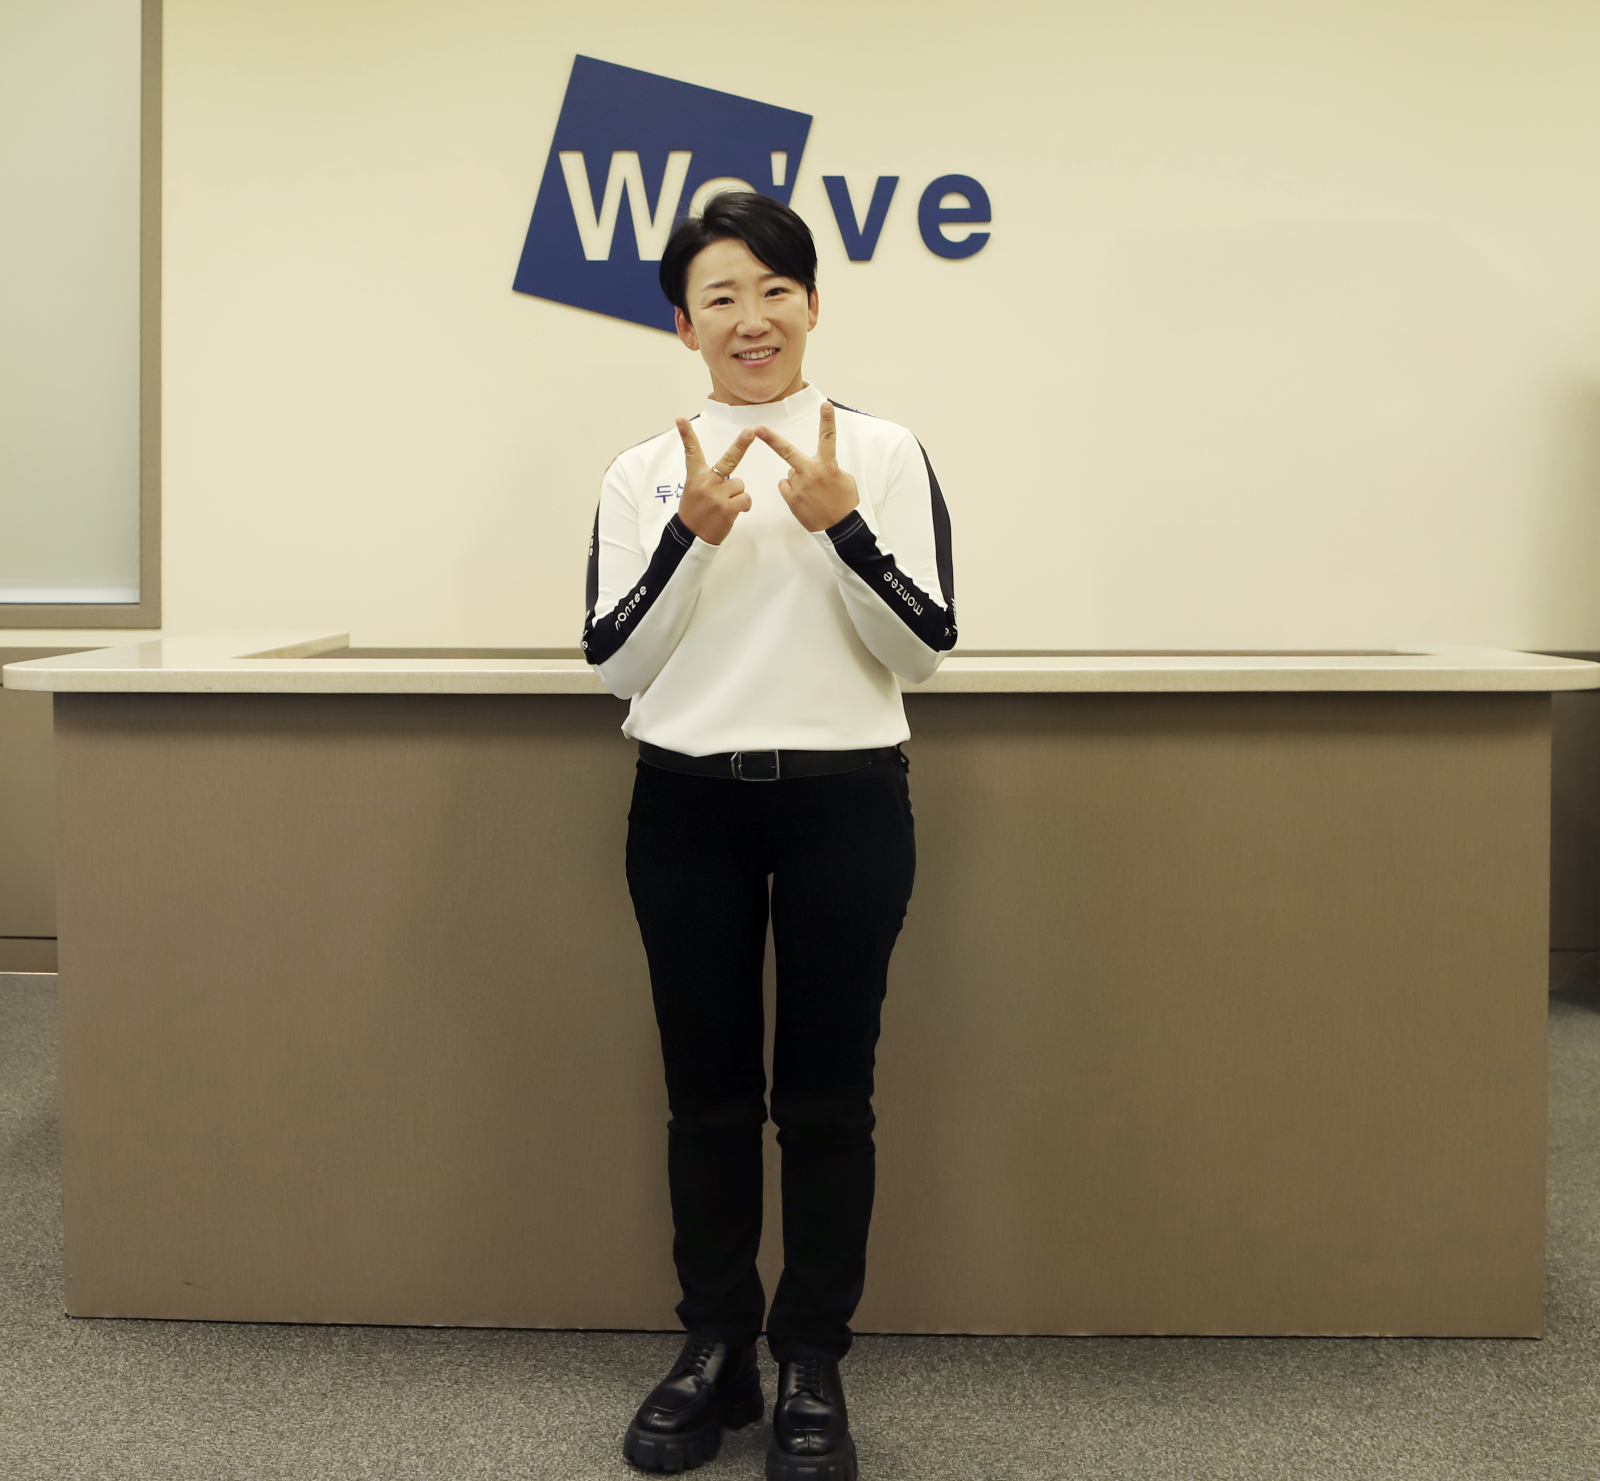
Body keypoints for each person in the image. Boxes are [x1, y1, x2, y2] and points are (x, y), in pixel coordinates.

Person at [581, 191, 956, 1481]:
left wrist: (841, 523)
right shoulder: (646, 471)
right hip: (686, 805)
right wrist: (690, 537)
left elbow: (925, 649)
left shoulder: (887, 451)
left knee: (828, 1102)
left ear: (812, 302)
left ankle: (811, 1362)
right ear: (683, 325)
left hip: (848, 801)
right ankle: (715, 1350)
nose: (753, 318)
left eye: (775, 290)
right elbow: (614, 666)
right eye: (722, 297)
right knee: (707, 1099)